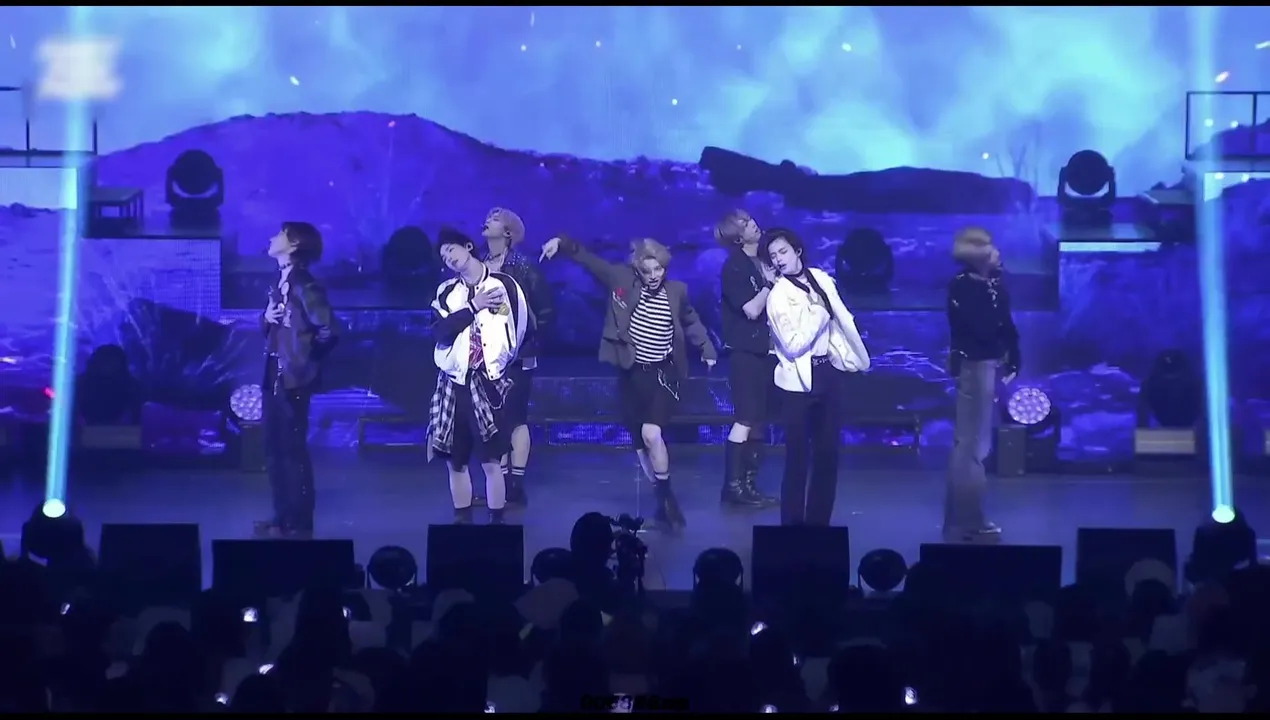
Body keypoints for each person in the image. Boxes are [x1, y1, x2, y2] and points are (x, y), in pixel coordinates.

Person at [541, 234, 717, 533]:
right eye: (647, 271)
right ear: (637, 269)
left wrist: (706, 347)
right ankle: (663, 502)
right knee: (639, 443)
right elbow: (590, 261)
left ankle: (667, 499)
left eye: (658, 270)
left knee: (652, 433)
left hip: (664, 374)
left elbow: (690, 319)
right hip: (632, 374)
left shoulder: (677, 291)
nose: (653, 276)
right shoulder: (620, 279)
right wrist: (562, 243)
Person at [763, 228, 869, 526]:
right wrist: (818, 315)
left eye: (783, 251)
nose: (779, 259)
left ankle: (819, 524)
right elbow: (793, 344)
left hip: (827, 373)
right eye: (773, 256)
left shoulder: (820, 279)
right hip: (797, 382)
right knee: (797, 459)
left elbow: (841, 319)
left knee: (828, 456)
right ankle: (792, 528)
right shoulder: (778, 296)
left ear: (797, 250)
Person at [428, 228, 529, 525]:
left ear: (468, 246)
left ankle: (497, 523)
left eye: (451, 250)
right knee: (455, 460)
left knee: (491, 460)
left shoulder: (504, 285)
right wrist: (473, 307)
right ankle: (462, 521)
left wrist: (500, 363)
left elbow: (521, 326)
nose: (449, 259)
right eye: (444, 257)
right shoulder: (447, 292)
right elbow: (439, 332)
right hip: (453, 383)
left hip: (487, 382)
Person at [255, 221, 338, 539]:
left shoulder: (305, 284)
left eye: (280, 234)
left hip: (293, 378)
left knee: (292, 451)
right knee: (274, 449)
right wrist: (266, 319)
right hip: (273, 374)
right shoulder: (280, 282)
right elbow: (274, 328)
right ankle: (281, 516)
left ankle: (299, 521)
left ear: (294, 244)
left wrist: (306, 359)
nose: (272, 237)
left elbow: (329, 329)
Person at [945, 227, 1018, 541]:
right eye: (991, 248)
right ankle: (966, 519)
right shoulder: (964, 287)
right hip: (973, 366)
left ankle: (961, 518)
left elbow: (1007, 325)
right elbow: (981, 328)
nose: (998, 253)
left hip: (989, 366)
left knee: (977, 444)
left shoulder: (994, 284)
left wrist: (1013, 355)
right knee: (971, 446)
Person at [479, 207, 554, 508]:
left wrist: (528, 344)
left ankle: (516, 483)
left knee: (515, 417)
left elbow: (545, 311)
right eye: (488, 217)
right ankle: (501, 481)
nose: (488, 221)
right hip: (486, 355)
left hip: (518, 355)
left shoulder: (523, 267)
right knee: (494, 419)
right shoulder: (479, 264)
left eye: (495, 218)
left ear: (508, 232)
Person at [714, 210, 780, 509]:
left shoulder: (764, 259)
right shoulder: (734, 268)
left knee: (759, 420)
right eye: (746, 224)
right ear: (738, 237)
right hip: (745, 352)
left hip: (767, 352)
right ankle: (733, 486)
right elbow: (751, 310)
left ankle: (749, 485)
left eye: (751, 220)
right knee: (746, 417)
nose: (754, 224)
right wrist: (768, 285)